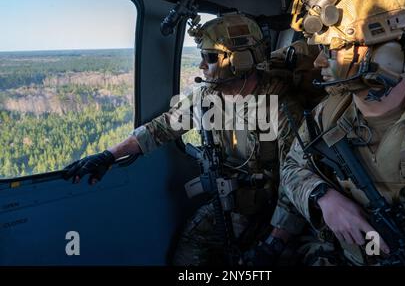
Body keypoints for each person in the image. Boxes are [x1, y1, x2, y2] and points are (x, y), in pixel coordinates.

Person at [63, 13, 312, 266]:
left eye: (210, 58)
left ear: (240, 60)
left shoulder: (281, 108)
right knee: (188, 252)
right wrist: (108, 156)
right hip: (227, 203)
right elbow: (161, 128)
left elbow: (297, 177)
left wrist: (274, 242)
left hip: (272, 211)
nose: (202, 66)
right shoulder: (207, 96)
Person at [281, 0, 405, 265]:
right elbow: (291, 167)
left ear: (384, 54)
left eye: (333, 50)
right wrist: (323, 197)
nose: (319, 61)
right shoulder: (329, 112)